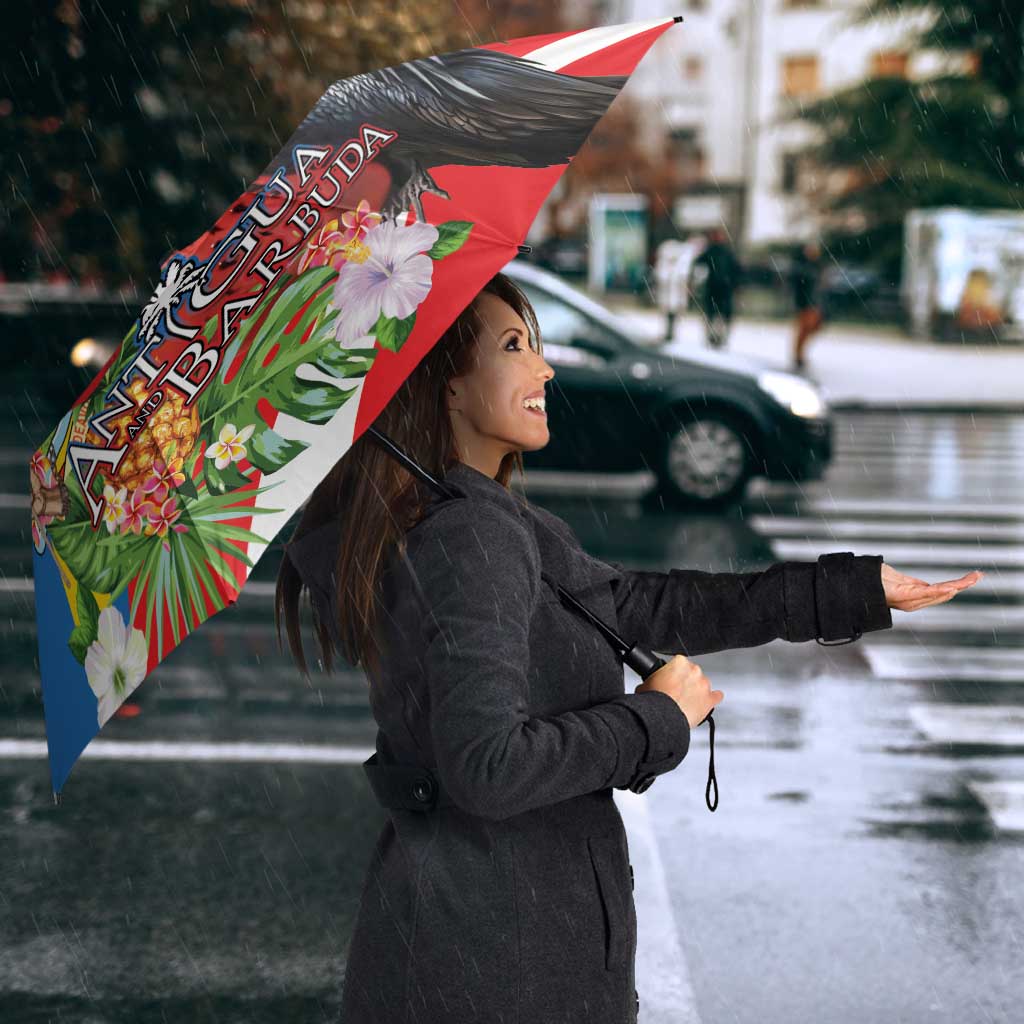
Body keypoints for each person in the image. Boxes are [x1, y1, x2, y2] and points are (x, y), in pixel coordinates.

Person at [275, 271, 981, 1024]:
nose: (544, 368)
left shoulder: (478, 519)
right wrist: (654, 719)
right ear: (446, 386)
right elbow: (487, 768)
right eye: (514, 346)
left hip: (480, 942)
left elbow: (642, 605)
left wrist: (850, 591)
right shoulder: (470, 537)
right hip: (497, 962)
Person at [692, 226, 742, 349]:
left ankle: (719, 337)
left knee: (720, 315)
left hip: (723, 288)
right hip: (715, 288)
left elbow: (736, 270)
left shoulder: (725, 252)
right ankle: (713, 337)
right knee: (713, 314)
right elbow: (698, 264)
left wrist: (735, 284)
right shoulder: (712, 251)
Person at [790, 239, 826, 371]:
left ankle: (800, 354)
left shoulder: (817, 266)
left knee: (812, 328)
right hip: (805, 303)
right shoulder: (802, 267)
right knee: (804, 329)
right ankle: (798, 355)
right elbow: (799, 286)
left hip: (814, 303)